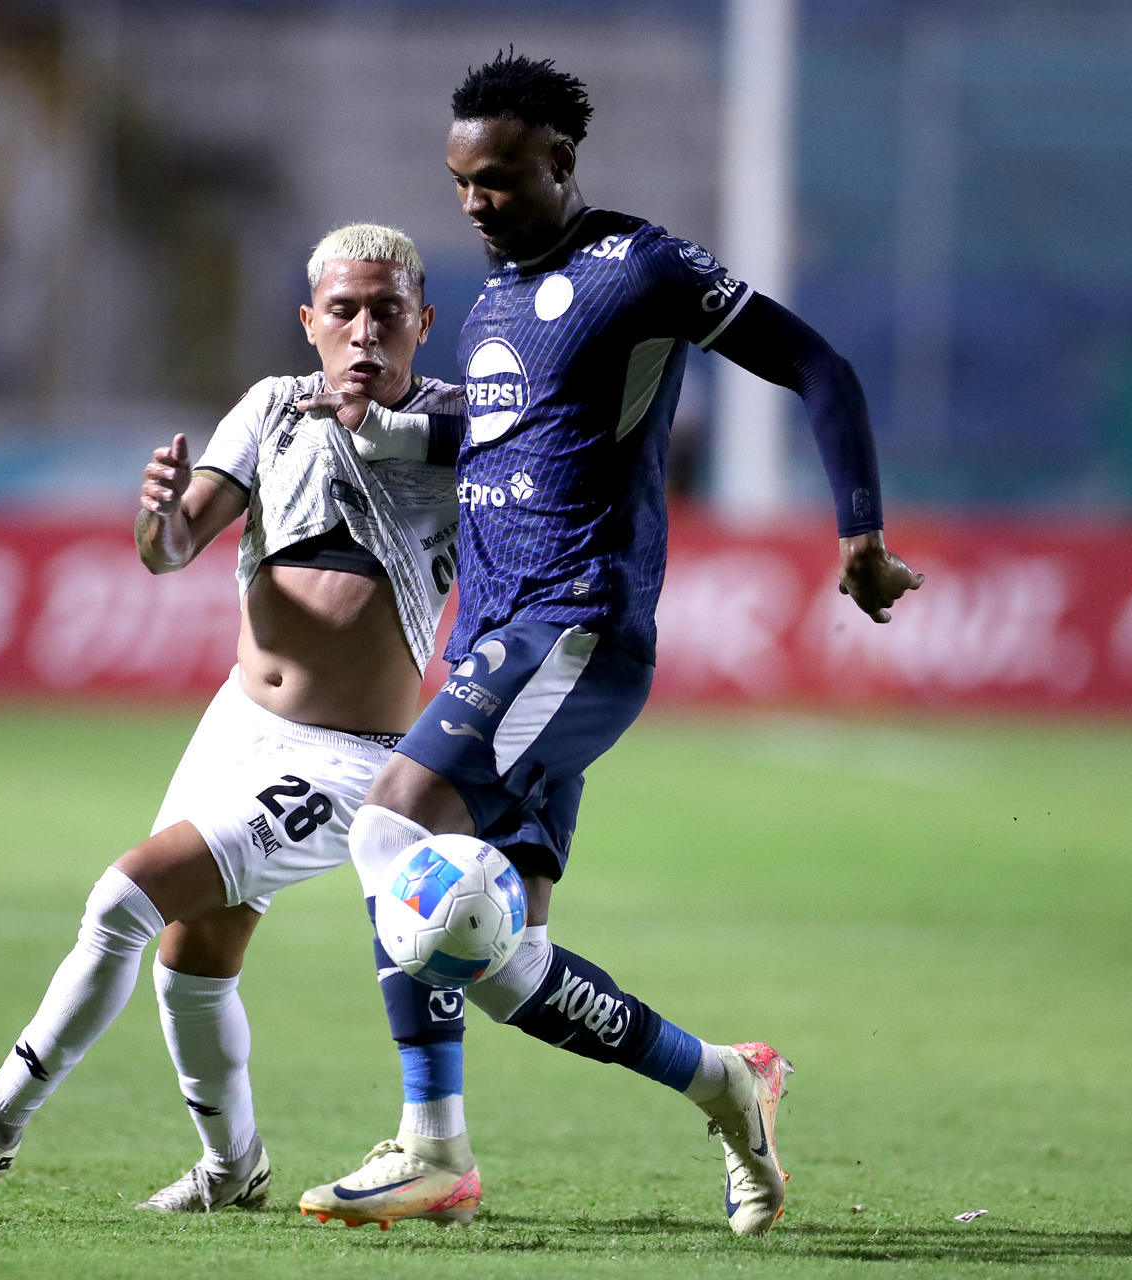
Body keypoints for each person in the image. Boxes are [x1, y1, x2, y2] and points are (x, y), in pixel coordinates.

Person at [295, 53, 923, 1236]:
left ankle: (434, 1149)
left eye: (499, 177)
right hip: (497, 645)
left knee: (392, 813)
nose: (475, 201)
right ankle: (729, 1081)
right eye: (461, 181)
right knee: (506, 962)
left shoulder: (638, 270)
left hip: (575, 629)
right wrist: (379, 432)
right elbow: (497, 450)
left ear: (562, 160)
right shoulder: (483, 306)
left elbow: (817, 364)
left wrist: (861, 529)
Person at [0, 223, 466, 1212]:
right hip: (237, 723)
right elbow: (175, 541)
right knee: (194, 958)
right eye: (346, 311)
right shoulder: (272, 409)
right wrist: (157, 516)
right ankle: (234, 1168)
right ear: (310, 320)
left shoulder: (457, 427)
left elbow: (518, 449)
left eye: (387, 311)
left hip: (349, 759)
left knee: (124, 895)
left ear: (423, 321)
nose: (366, 332)